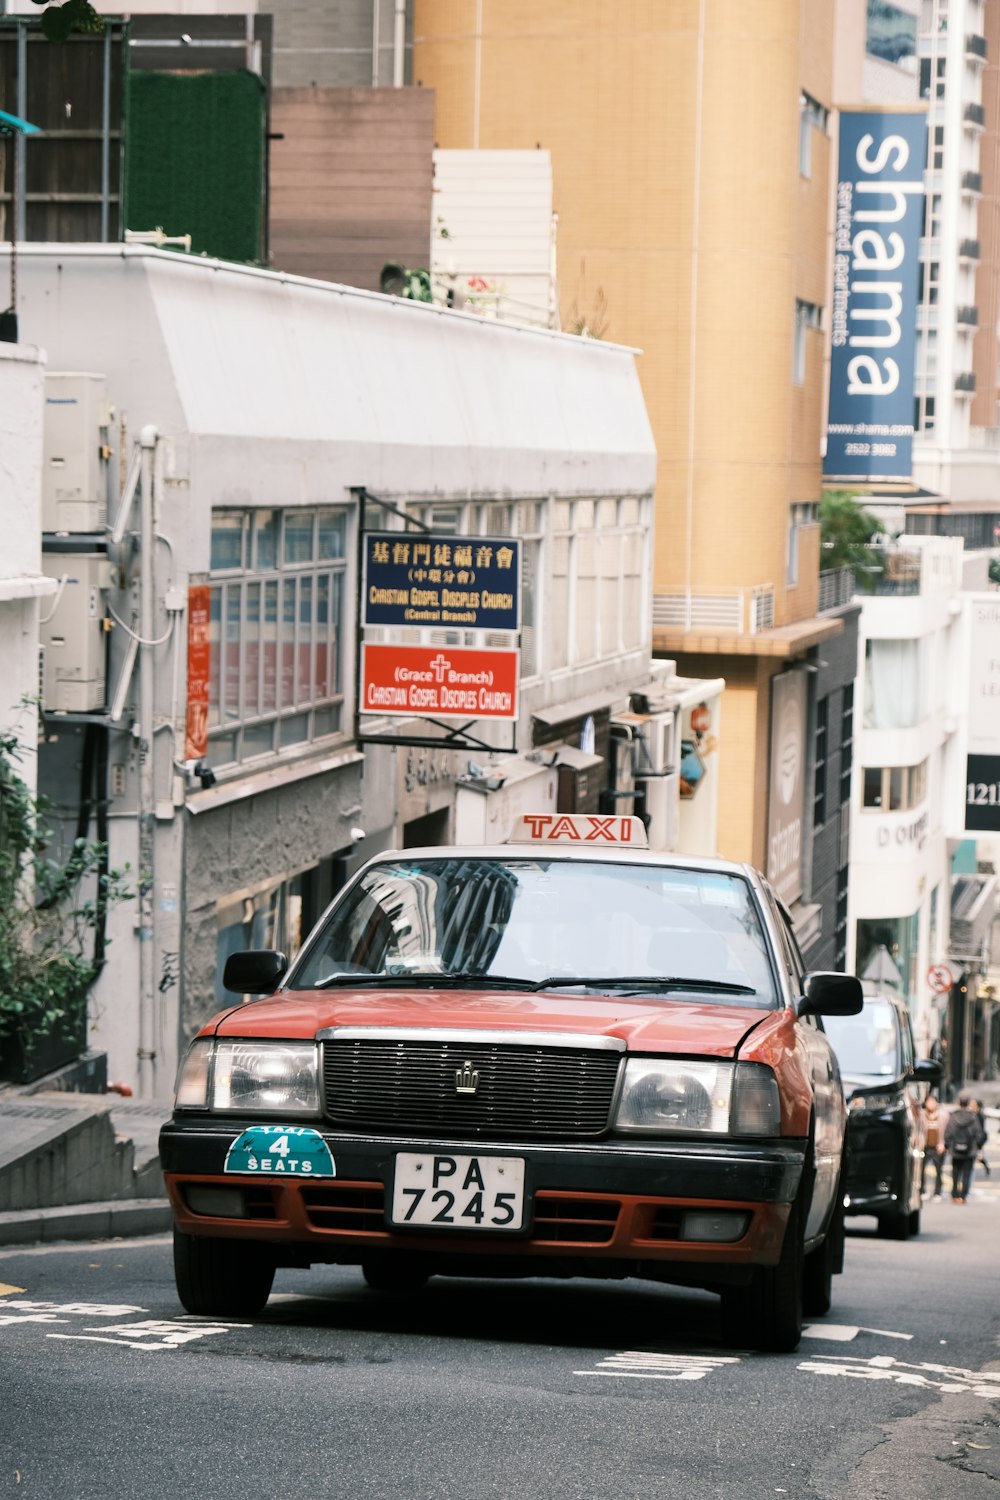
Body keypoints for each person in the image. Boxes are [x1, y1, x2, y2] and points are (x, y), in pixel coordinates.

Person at [944, 1093, 981, 1204]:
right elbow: (978, 1134)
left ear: (959, 1103)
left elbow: (948, 1133)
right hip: (970, 1150)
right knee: (966, 1174)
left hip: (955, 1150)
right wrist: (977, 1145)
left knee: (955, 1173)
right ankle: (963, 1196)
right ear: (968, 1103)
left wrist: (948, 1145)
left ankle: (954, 1195)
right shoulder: (973, 1117)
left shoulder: (954, 1116)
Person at [920, 1094, 945, 1200]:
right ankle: (923, 1191)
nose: (931, 1104)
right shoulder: (921, 1115)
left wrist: (943, 1144)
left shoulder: (944, 1115)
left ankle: (937, 1192)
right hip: (924, 1146)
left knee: (939, 1171)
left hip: (938, 1147)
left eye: (933, 1101)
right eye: (928, 1102)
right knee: (921, 1170)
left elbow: (947, 1131)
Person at [972, 1098, 990, 1178]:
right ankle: (986, 1168)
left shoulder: (979, 1116)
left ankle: (986, 1168)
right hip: (976, 1140)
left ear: (978, 1107)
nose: (972, 1106)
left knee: (978, 1157)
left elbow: (980, 1130)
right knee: (978, 1157)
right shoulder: (975, 1114)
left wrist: (978, 1142)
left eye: (973, 1105)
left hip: (978, 1140)